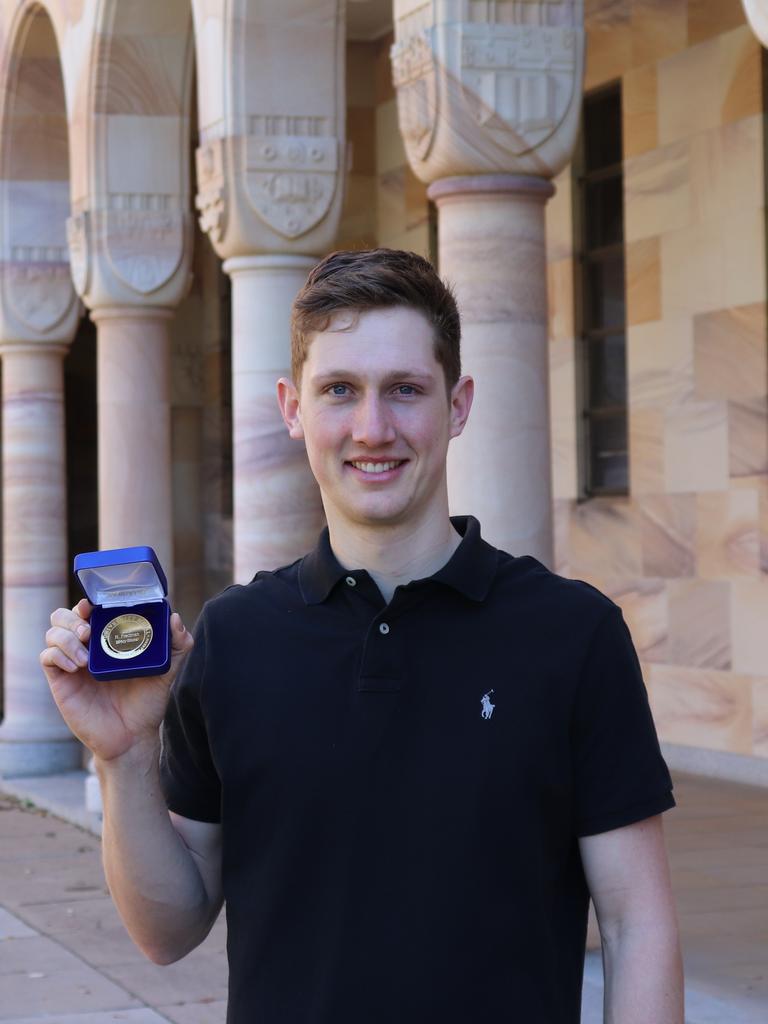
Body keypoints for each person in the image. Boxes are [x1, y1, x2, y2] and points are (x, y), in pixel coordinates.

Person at [40, 248, 683, 1024]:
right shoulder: (235, 638)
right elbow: (167, 931)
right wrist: (124, 756)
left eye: (405, 390)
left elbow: (635, 923)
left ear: (458, 405)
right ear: (291, 407)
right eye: (339, 390)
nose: (372, 429)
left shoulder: (572, 635)